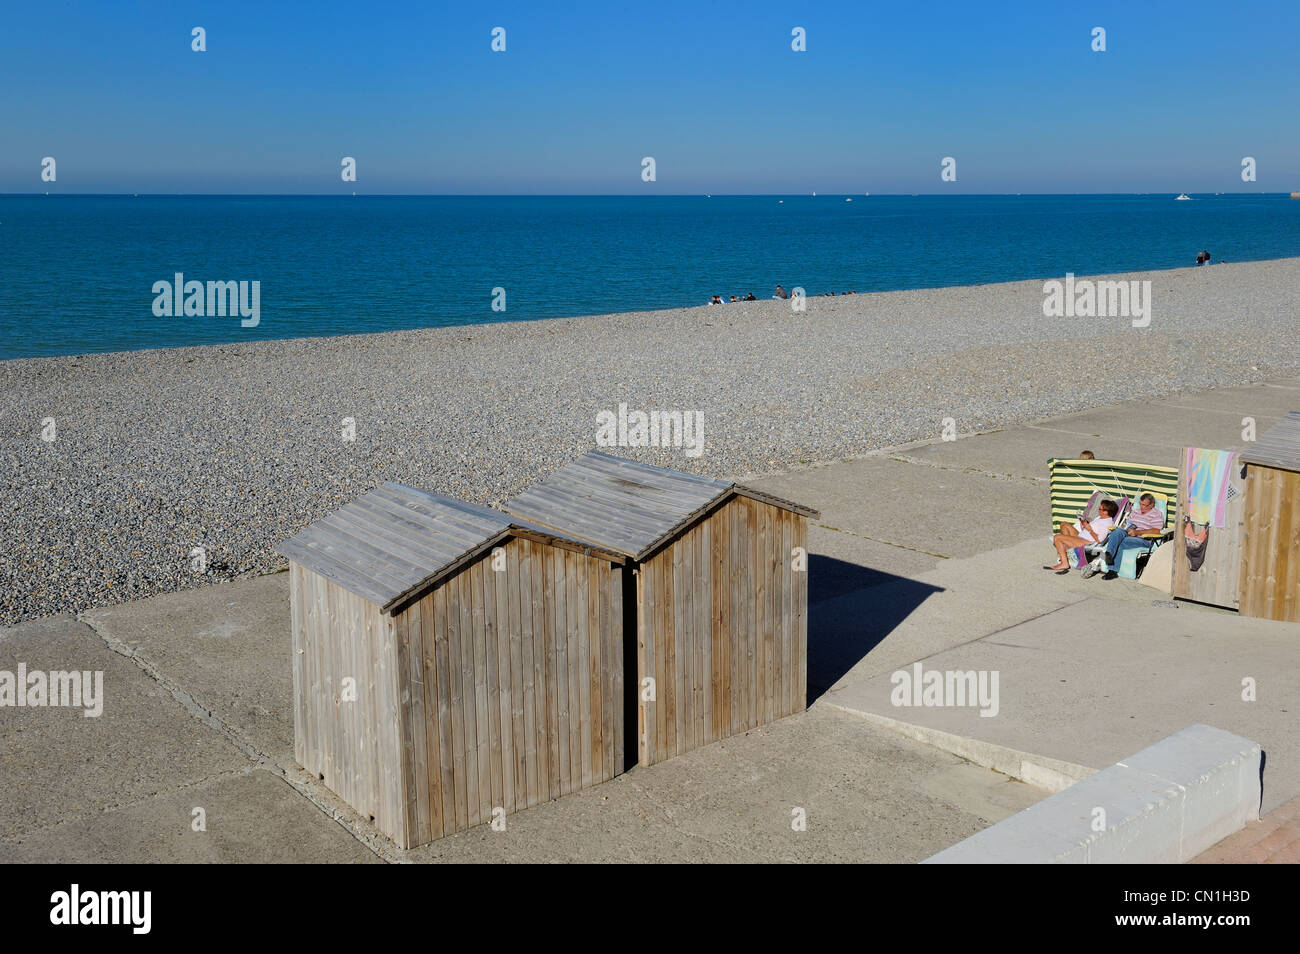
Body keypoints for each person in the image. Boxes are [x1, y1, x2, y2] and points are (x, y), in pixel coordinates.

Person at [1083, 493, 1164, 579]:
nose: (1141, 507)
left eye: (1144, 505)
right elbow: (1128, 524)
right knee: (1116, 532)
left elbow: (1157, 531)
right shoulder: (1136, 512)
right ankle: (1109, 554)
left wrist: (1138, 532)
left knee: (1122, 542)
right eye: (1140, 504)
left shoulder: (1157, 514)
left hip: (1144, 539)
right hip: (1129, 533)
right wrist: (1124, 528)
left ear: (1152, 505)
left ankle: (1112, 570)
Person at [1045, 499, 1118, 573]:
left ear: (1105, 512)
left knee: (1057, 537)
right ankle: (1068, 550)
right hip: (1081, 536)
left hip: (1087, 542)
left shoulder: (1107, 524)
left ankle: (1064, 563)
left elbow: (1100, 539)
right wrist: (1084, 523)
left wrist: (1090, 530)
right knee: (1064, 524)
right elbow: (1091, 528)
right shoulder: (1100, 517)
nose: (1098, 509)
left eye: (1100, 508)